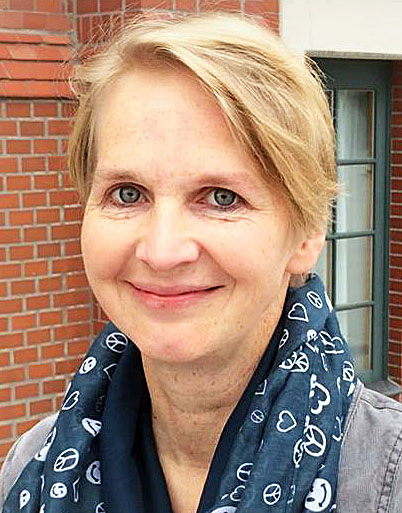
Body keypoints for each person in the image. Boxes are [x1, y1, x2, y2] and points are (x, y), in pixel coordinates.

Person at [1, 12, 402, 513]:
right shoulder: (32, 466)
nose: (162, 251)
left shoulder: (387, 481)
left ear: (307, 234)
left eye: (221, 197)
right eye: (128, 193)